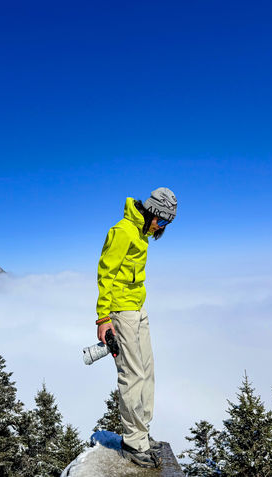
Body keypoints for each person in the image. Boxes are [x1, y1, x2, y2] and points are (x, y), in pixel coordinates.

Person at [95, 187, 178, 469]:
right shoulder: (123, 231)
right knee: (132, 375)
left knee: (147, 371)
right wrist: (103, 318)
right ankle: (133, 441)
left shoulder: (142, 234)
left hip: (138, 308)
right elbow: (105, 273)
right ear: (152, 211)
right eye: (163, 221)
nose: (162, 227)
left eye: (167, 224)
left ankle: (142, 432)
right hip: (121, 311)